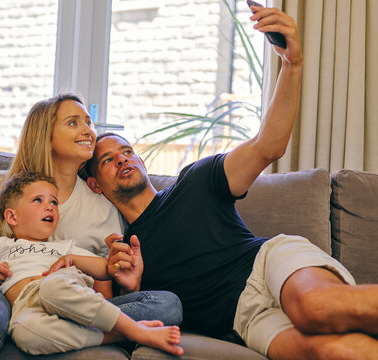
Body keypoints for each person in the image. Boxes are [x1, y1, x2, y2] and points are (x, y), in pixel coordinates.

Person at [84, 6, 378, 360]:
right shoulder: (121, 255)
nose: (122, 159)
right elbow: (117, 319)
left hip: (267, 263)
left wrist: (292, 65)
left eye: (128, 151)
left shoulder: (195, 180)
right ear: (95, 185)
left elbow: (267, 145)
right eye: (107, 159)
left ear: (142, 161)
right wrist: (133, 286)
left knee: (315, 308)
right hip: (244, 319)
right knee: (339, 352)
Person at [0, 93, 182, 359]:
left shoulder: (102, 206)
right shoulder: (1, 189)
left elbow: (104, 298)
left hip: (63, 304)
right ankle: (51, 332)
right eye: (73, 123)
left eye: (88, 122)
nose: (88, 130)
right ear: (46, 137)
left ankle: (50, 332)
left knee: (167, 305)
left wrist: (128, 284)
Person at [0, 172, 183, 356]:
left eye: (54, 202)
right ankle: (123, 332)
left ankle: (131, 328)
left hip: (64, 293)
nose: (50, 207)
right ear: (11, 216)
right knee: (25, 333)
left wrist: (88, 262)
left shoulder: (65, 246)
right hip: (27, 306)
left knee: (168, 303)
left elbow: (105, 270)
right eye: (38, 200)